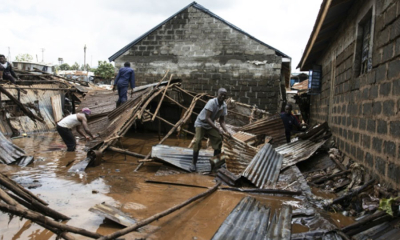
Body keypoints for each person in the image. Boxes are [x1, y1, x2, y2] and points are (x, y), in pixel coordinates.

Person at [190, 88, 232, 172]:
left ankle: (215, 163)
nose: (222, 96)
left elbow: (222, 121)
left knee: (218, 139)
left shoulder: (224, 105)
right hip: (201, 123)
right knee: (198, 141)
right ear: (218, 94)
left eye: (224, 95)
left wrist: (227, 131)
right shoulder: (212, 102)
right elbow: (207, 118)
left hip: (210, 125)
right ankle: (193, 163)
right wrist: (217, 129)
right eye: (221, 94)